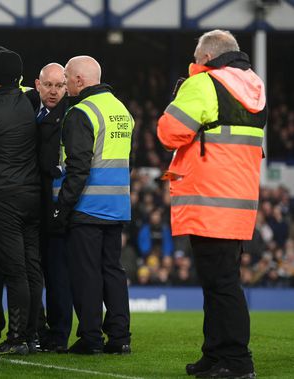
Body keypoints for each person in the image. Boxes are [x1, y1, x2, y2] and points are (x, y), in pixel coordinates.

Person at [157, 29, 265, 379]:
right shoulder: (253, 86)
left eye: (196, 58)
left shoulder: (204, 84)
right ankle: (215, 353)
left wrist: (181, 95)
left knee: (221, 285)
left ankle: (236, 360)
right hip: (238, 202)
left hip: (208, 201)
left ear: (206, 58)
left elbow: (168, 132)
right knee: (220, 282)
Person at [52, 55, 133, 355]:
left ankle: (90, 337)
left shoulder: (81, 112)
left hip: (86, 207)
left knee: (86, 274)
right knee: (113, 271)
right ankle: (120, 336)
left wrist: (63, 206)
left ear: (80, 80)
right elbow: (129, 161)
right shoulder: (121, 110)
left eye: (67, 78)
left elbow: (78, 167)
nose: (65, 84)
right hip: (116, 206)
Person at [0, 50, 42, 355]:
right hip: (31, 195)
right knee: (31, 268)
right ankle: (31, 334)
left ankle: (16, 338)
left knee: (14, 271)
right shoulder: (27, 100)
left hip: (4, 197)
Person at [25, 63, 71, 353]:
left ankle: (58, 334)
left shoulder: (69, 116)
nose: (53, 91)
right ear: (37, 84)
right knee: (31, 272)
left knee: (56, 274)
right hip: (30, 205)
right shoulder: (27, 107)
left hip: (54, 207)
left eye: (59, 86)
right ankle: (35, 330)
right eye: (49, 85)